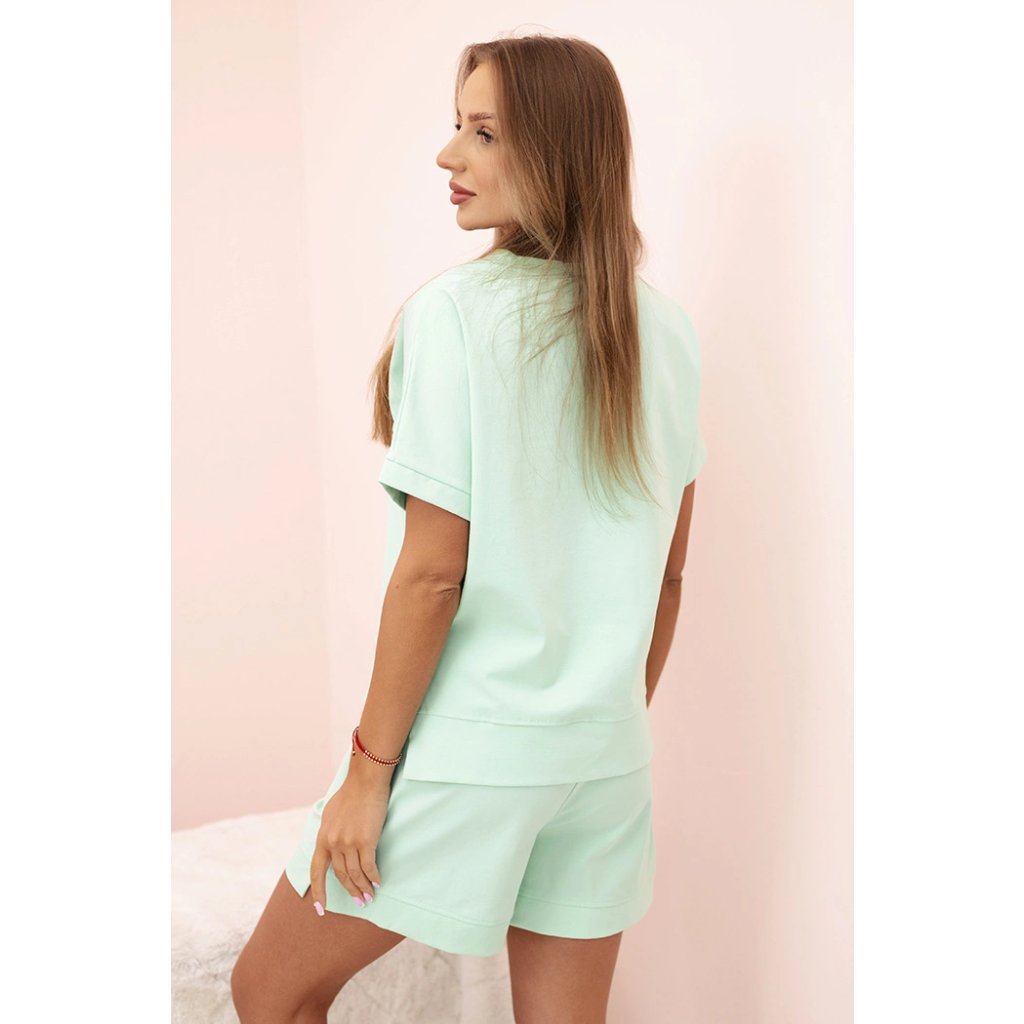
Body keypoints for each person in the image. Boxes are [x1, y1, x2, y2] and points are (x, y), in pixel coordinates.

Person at [231, 33, 708, 1024]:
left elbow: (432, 575)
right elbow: (666, 578)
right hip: (606, 759)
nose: (448, 155)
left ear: (557, 149)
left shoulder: (454, 314)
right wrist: (593, 720)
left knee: (269, 992)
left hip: (473, 755)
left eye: (483, 133)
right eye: (457, 126)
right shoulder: (668, 334)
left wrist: (367, 777)